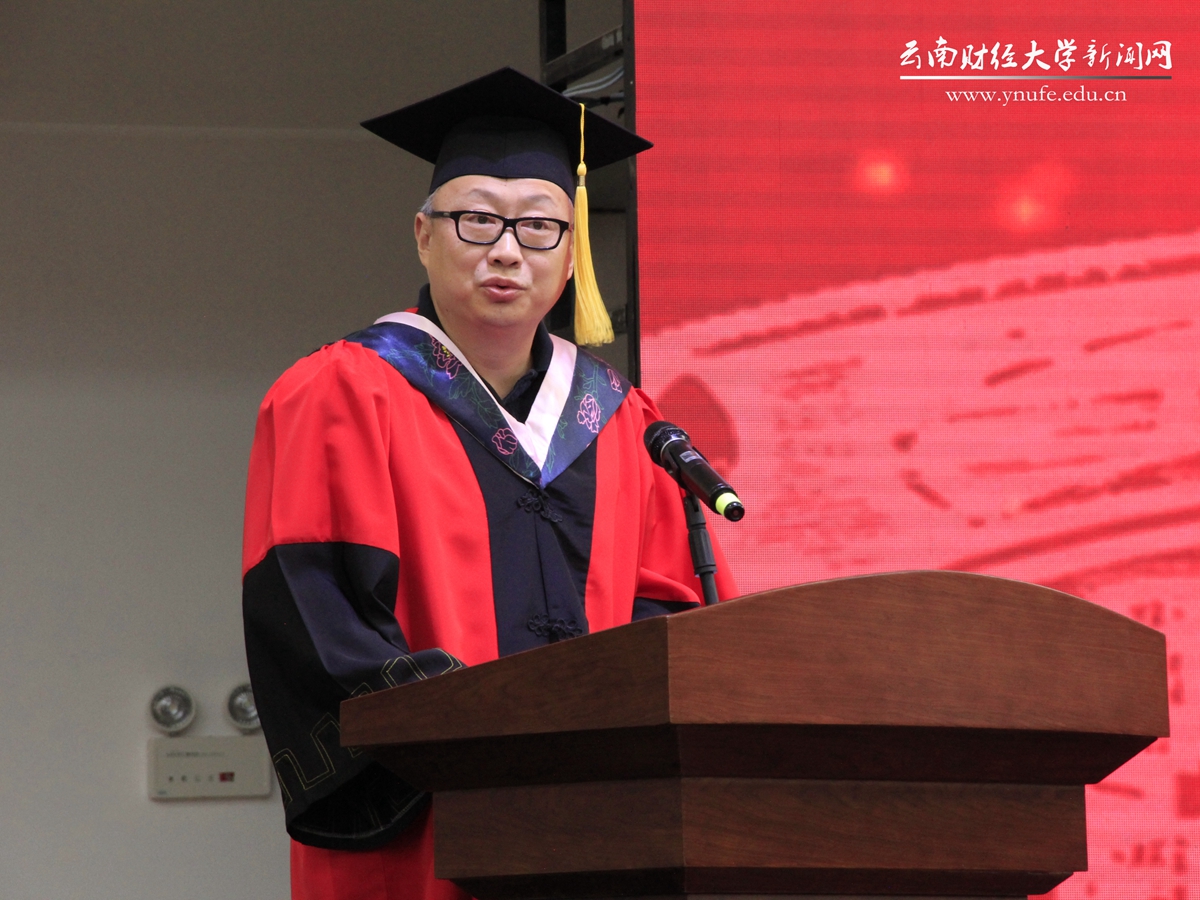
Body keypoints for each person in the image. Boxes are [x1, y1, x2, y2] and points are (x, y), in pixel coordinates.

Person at [241, 67, 738, 900]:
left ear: (572, 254)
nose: (507, 249)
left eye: (540, 226)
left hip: (601, 829)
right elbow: (316, 614)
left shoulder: (622, 420)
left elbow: (665, 612)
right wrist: (487, 744)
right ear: (423, 235)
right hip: (431, 820)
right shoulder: (341, 394)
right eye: (477, 219)